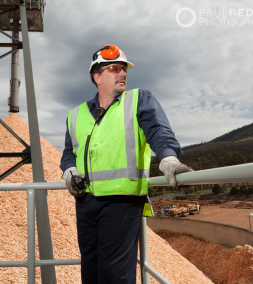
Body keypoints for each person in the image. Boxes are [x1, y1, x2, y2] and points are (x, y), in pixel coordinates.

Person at [60, 44, 192, 284]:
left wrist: (168, 156)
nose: (122, 74)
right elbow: (70, 151)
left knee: (114, 273)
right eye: (114, 68)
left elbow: (158, 130)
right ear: (97, 76)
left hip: (122, 201)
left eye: (124, 69)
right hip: (85, 202)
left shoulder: (138, 99)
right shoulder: (75, 114)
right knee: (90, 267)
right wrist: (69, 171)